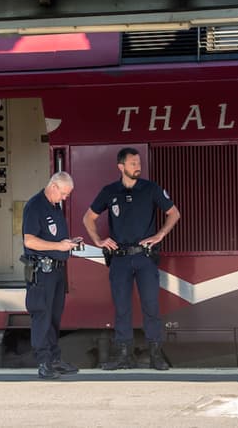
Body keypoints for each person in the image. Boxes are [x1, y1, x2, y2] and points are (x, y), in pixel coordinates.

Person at [82, 147, 180, 370]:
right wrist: (98, 240)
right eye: (133, 163)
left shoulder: (150, 188)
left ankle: (156, 355)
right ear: (121, 167)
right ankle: (124, 356)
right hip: (120, 259)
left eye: (138, 163)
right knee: (122, 308)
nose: (138, 166)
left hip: (145, 257)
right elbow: (88, 218)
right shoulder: (109, 191)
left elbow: (174, 213)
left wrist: (160, 234)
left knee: (151, 307)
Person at [22, 171, 81, 379]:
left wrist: (68, 244)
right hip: (42, 272)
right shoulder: (34, 206)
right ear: (54, 186)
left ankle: (54, 359)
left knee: (54, 317)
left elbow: (55, 237)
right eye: (64, 193)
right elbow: (29, 241)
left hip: (56, 270)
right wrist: (58, 245)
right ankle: (43, 362)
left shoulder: (55, 207)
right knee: (42, 316)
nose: (65, 198)